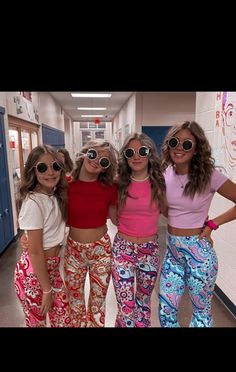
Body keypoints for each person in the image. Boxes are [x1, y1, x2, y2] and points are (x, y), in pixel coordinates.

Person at [159, 120, 236, 327]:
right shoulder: (166, 172)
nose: (179, 147)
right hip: (172, 254)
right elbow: (166, 210)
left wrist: (213, 224)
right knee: (166, 311)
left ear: (196, 149)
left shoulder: (209, 175)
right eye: (175, 142)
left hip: (199, 254)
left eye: (187, 144)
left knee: (201, 314)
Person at [111, 133, 166, 327]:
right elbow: (99, 204)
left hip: (149, 250)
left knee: (143, 304)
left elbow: (172, 211)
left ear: (150, 153)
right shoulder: (118, 184)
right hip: (123, 250)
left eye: (142, 151)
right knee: (126, 307)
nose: (136, 156)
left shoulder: (159, 184)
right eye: (130, 152)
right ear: (125, 156)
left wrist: (203, 224)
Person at [14, 145, 71, 327]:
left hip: (51, 269)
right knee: (37, 322)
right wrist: (47, 289)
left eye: (55, 166)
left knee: (63, 318)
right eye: (42, 167)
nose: (50, 172)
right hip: (34, 272)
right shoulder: (33, 202)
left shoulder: (54, 196)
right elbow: (36, 252)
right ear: (33, 170)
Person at [64, 140, 119, 327]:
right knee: (75, 302)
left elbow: (117, 219)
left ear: (106, 169)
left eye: (104, 162)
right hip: (73, 251)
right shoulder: (65, 185)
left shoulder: (110, 189)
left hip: (100, 251)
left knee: (97, 303)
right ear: (85, 153)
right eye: (94, 154)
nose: (96, 161)